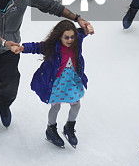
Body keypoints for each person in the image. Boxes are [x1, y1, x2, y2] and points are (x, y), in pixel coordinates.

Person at [0, 0, 93, 143]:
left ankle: (4, 105)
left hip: (11, 49)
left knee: (11, 81)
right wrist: (4, 42)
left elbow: (49, 5)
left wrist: (77, 18)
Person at [15, 20, 88, 148]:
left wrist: (87, 27)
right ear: (59, 37)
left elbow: (83, 32)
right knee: (56, 107)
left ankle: (69, 127)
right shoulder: (53, 47)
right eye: (66, 37)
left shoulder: (77, 42)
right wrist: (23, 48)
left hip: (72, 81)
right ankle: (51, 129)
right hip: (57, 83)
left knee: (76, 105)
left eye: (72, 37)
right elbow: (36, 47)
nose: (70, 40)